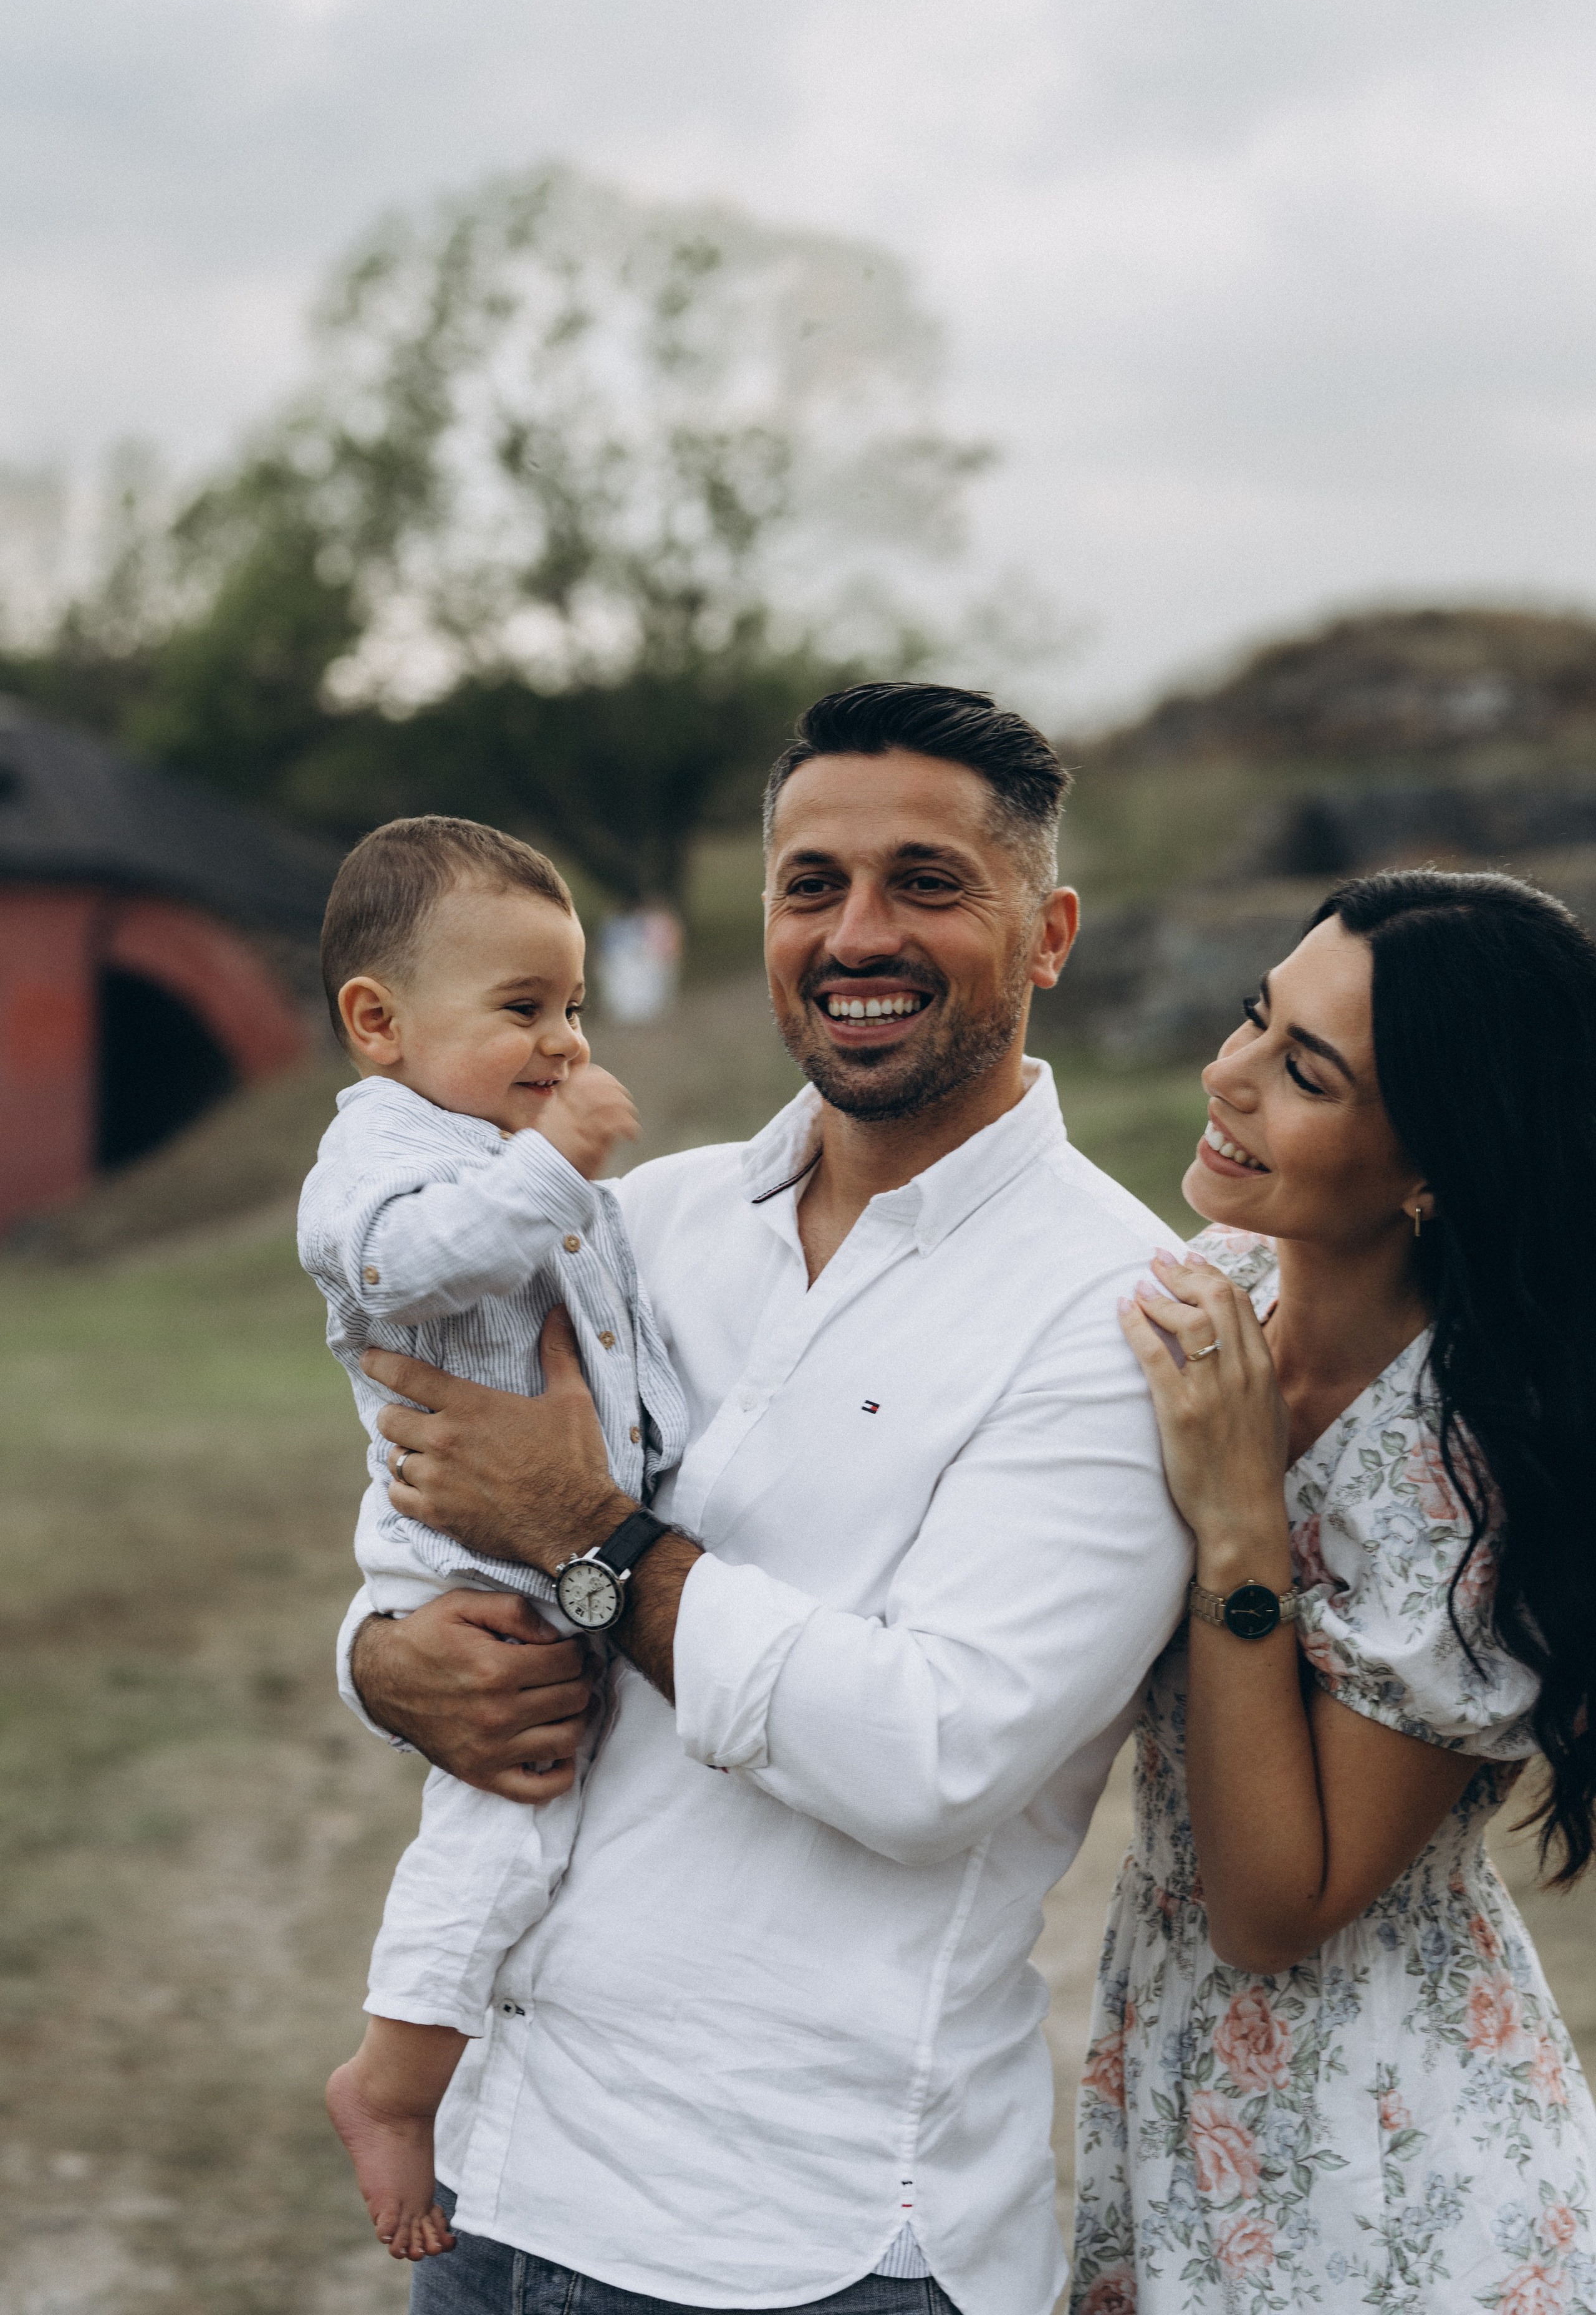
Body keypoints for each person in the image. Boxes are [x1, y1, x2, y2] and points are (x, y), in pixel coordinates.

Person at [332, 683, 1193, 2315]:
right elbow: (443, 1534)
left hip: (805, 2236)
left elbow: (933, 1755)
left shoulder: (1117, 1310)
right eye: (813, 887)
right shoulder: (638, 1217)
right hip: (497, 2173)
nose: (856, 933)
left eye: (927, 884)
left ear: (1050, 929)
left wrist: (592, 1540)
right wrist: (385, 1666)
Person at [1073, 869, 1596, 2315]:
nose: (1222, 1076)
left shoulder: (1471, 1475)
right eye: (1254, 1019)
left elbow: (1271, 1907)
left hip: (1383, 2150)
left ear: (1433, 1163)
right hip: (1169, 2059)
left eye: (1301, 1072)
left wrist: (1242, 1524)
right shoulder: (1211, 1289)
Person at [299, 816, 688, 2262]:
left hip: (551, 1544)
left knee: (555, 1833)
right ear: (376, 1022)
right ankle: (390, 2087)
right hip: (460, 1565)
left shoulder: (493, 1142)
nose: (563, 1044)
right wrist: (554, 1164)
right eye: (521, 1010)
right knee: (504, 1829)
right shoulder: (383, 1155)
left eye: (574, 1008)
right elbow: (400, 1267)